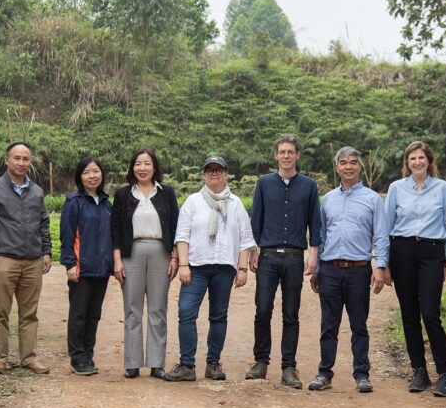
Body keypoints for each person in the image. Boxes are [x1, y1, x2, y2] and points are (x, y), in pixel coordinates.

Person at [164, 156, 255, 382]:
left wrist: (242, 268)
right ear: (204, 174)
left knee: (218, 316)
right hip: (196, 267)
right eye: (210, 170)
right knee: (186, 312)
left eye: (219, 170)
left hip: (224, 268)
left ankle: (213, 363)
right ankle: (187, 364)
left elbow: (245, 239)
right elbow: (182, 236)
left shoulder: (235, 204)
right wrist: (183, 265)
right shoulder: (193, 202)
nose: (214, 173)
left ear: (225, 173)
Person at [308, 146, 389, 394]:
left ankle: (362, 374)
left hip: (358, 270)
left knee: (359, 325)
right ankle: (324, 372)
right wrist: (317, 268)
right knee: (328, 325)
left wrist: (380, 267)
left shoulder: (373, 199)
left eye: (353, 162)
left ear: (360, 167)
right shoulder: (328, 199)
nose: (348, 166)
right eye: (343, 162)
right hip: (330, 269)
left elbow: (382, 235)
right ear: (337, 167)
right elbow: (319, 236)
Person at [245, 135, 321, 389]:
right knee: (263, 309)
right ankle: (260, 362)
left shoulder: (309, 186)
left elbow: (315, 222)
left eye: (291, 152)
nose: (286, 156)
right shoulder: (264, 183)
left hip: (294, 257)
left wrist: (313, 253)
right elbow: (256, 218)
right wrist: (253, 250)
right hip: (267, 256)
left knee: (291, 313)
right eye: (282, 152)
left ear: (298, 155)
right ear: (275, 155)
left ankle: (289, 366)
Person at [384, 141, 446, 397]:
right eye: (412, 158)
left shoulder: (442, 188)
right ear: (407, 162)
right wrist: (383, 263)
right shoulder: (396, 188)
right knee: (409, 314)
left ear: (429, 161)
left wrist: (445, 259)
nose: (417, 162)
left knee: (430, 313)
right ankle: (419, 371)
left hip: (431, 253)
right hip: (402, 251)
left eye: (421, 158)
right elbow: (386, 226)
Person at [0, 141, 52, 374]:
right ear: (7, 160)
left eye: (25, 159)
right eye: (16, 158)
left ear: (30, 162)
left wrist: (46, 251)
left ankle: (28, 358)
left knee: (29, 313)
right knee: (1, 311)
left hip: (33, 260)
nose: (21, 163)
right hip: (4, 259)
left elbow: (44, 223)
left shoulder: (37, 191)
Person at [111, 149, 179, 379]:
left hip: (161, 251)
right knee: (132, 308)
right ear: (132, 168)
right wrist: (117, 260)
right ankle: (132, 362)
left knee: (158, 308)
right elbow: (116, 229)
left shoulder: (166, 192)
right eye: (138, 163)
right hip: (132, 252)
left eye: (147, 163)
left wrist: (176, 257)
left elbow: (175, 226)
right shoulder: (123, 194)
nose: (142, 168)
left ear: (154, 167)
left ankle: (156, 362)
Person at [59, 156, 113, 376]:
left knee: (94, 315)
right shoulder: (74, 201)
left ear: (102, 175)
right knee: (79, 314)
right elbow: (67, 235)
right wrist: (70, 263)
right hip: (81, 268)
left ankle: (88, 355)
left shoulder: (107, 203)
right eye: (87, 172)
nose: (92, 176)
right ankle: (77, 357)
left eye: (96, 171)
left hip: (102, 269)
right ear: (80, 177)